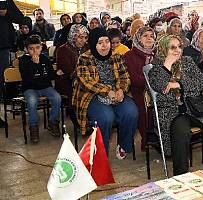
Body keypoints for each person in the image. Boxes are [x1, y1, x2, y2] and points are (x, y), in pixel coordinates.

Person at [147, 35, 203, 175]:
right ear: (163, 49)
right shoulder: (155, 67)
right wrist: (167, 64)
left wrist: (179, 84)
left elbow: (200, 83)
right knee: (181, 133)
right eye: (172, 47)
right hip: (172, 112)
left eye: (179, 46)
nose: (177, 50)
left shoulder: (187, 62)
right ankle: (181, 175)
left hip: (194, 107)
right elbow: (159, 85)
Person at [72, 28, 138, 159]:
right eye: (100, 42)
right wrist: (108, 91)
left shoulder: (117, 56)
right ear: (93, 44)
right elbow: (87, 82)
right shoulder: (84, 58)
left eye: (107, 41)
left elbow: (125, 77)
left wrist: (121, 90)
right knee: (106, 117)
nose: (104, 45)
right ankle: (101, 154)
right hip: (92, 95)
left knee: (132, 112)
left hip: (116, 93)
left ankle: (124, 145)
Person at [19, 35, 63, 143]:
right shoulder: (23, 60)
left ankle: (53, 122)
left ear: (41, 47)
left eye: (37, 48)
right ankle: (33, 127)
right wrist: (35, 64)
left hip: (46, 87)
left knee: (57, 98)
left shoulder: (45, 58)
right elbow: (26, 78)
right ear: (26, 49)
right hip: (30, 88)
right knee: (32, 101)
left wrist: (56, 74)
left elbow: (50, 75)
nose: (35, 51)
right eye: (31, 48)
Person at [123, 26, 156, 152]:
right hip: (138, 92)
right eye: (145, 36)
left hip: (157, 90)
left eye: (151, 36)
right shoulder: (129, 55)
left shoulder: (157, 54)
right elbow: (134, 79)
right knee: (144, 107)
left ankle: (162, 139)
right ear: (138, 38)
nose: (149, 38)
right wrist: (154, 81)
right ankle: (147, 139)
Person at [55, 24, 89, 100]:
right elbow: (69, 71)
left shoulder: (86, 47)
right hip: (67, 82)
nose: (84, 40)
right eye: (80, 37)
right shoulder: (62, 50)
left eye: (85, 37)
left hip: (85, 80)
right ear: (73, 37)